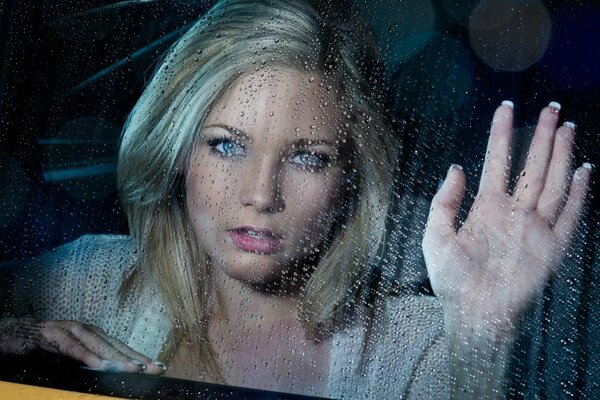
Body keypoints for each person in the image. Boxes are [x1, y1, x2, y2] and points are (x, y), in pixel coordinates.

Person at [0, 0, 592, 398]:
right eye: (227, 146)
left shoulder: (418, 350)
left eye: (309, 156)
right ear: (177, 150)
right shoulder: (81, 281)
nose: (261, 196)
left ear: (353, 177)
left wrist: (482, 336)